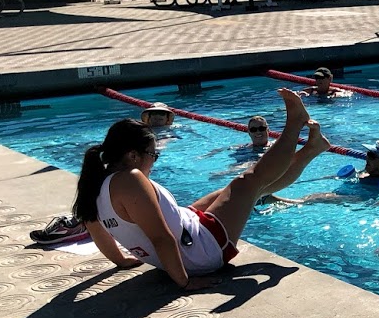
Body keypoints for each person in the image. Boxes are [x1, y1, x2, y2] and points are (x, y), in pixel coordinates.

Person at [74, 89, 329, 290]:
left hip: (187, 237)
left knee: (238, 191)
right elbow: (161, 237)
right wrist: (184, 282)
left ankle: (311, 149)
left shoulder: (96, 179)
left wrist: (123, 261)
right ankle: (295, 124)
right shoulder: (130, 179)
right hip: (201, 251)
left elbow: (95, 227)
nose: (153, 160)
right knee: (249, 181)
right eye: (152, 154)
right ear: (132, 156)